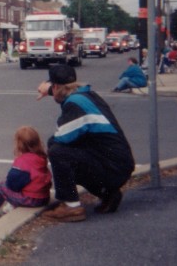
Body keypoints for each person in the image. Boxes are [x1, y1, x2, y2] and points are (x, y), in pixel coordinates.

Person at [36, 65, 135, 222]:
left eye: (52, 87)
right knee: (75, 149)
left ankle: (71, 206)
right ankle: (108, 194)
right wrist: (50, 91)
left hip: (113, 167)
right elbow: (63, 94)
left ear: (55, 86)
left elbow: (62, 137)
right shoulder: (86, 95)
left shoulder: (75, 104)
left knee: (57, 150)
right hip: (118, 163)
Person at [0, 126, 52, 219]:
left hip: (32, 200)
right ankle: (11, 206)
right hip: (44, 198)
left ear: (19, 144)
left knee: (1, 187)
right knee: (26, 183)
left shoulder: (22, 161)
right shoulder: (41, 157)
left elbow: (12, 184)